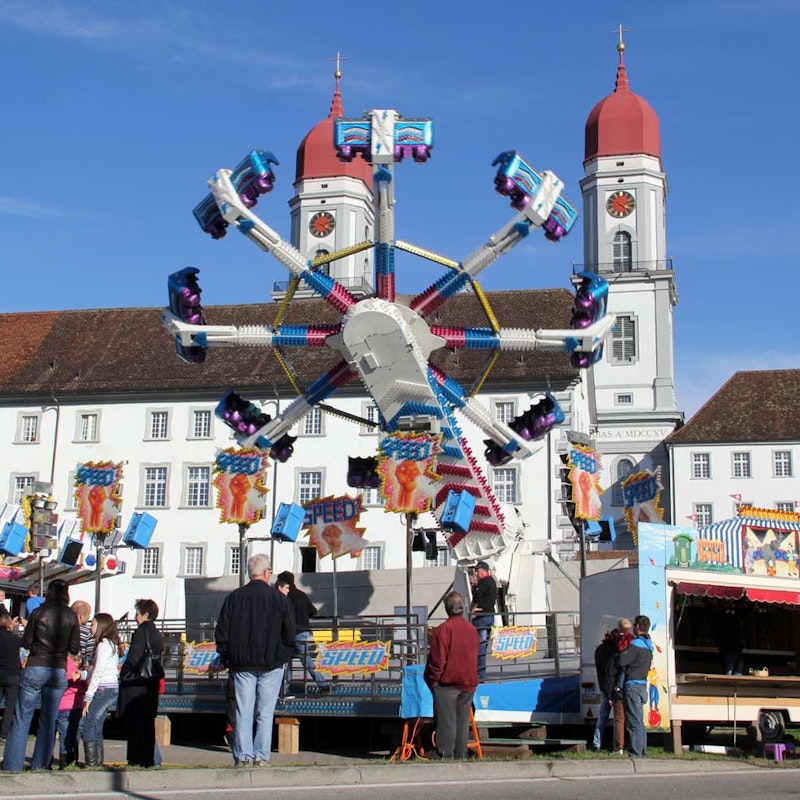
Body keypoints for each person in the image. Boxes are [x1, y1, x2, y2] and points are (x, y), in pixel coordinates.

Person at [215, 554, 295, 767]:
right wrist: (285, 655)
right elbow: (290, 632)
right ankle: (261, 755)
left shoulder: (234, 597)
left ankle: (243, 756)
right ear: (267, 572)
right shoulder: (279, 599)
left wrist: (225, 657)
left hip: (242, 663)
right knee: (265, 712)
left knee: (243, 710)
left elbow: (222, 631)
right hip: (272, 661)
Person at [2, 579, 80, 772]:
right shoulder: (71, 616)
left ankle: (13, 765)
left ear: (49, 593)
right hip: (58, 669)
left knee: (22, 717)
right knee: (49, 719)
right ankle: (40, 765)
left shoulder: (38, 612)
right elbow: (75, 647)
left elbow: (26, 643)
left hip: (36, 665)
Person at [424, 591, 480, 759]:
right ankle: (461, 755)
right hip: (468, 681)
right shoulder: (472, 630)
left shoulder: (444, 630)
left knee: (446, 723)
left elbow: (437, 659)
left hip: (448, 683)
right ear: (462, 609)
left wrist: (434, 680)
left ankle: (446, 756)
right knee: (462, 722)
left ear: (447, 609)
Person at [118, 599, 164, 768]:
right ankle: (148, 759)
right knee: (147, 723)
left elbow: (134, 657)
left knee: (135, 722)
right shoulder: (156, 632)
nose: (136, 616)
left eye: (138, 612)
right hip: (151, 681)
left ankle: (136, 759)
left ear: (145, 614)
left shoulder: (141, 631)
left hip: (137, 682)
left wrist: (124, 673)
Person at [276, 570, 330, 694]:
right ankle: (323, 684)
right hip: (305, 632)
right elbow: (314, 611)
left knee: (286, 661)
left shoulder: (284, 597)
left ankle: (284, 690)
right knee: (307, 660)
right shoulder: (302, 595)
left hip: (290, 633)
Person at [79, 613, 121, 768]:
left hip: (104, 689)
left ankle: (91, 763)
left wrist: (88, 697)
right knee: (96, 724)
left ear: (101, 626)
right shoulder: (110, 644)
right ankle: (97, 762)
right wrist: (83, 674)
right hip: (110, 687)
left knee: (87, 723)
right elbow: (97, 670)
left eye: (93, 624)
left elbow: (98, 672)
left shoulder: (103, 644)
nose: (91, 627)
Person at [617, 614, 654, 757]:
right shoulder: (648, 645)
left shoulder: (636, 644)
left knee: (633, 721)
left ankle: (636, 752)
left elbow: (622, 660)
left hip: (632, 685)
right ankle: (642, 750)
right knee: (639, 720)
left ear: (637, 627)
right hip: (642, 685)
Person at [592, 619, 629, 754]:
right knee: (619, 718)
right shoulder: (615, 651)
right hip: (614, 688)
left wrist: (605, 690)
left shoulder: (599, 650)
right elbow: (615, 671)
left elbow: (601, 672)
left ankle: (597, 743)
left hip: (604, 686)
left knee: (602, 717)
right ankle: (617, 744)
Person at [55, 655, 85, 769]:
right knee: (74, 734)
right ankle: (74, 760)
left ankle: (64, 762)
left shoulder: (64, 665)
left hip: (64, 704)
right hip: (77, 704)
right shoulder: (78, 669)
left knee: (64, 735)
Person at [469, 561, 497, 680]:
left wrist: (478, 609)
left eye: (477, 571)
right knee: (481, 645)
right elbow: (478, 598)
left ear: (484, 571)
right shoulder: (487, 582)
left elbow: (481, 598)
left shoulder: (487, 582)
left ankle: (480, 674)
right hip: (486, 616)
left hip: (483, 617)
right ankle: (479, 672)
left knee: (480, 646)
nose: (476, 573)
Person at [0, 610, 23, 742]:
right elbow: (26, 642)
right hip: (12, 674)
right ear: (9, 624)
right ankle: (3, 734)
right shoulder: (14, 639)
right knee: (10, 706)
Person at [71, 601, 95, 668]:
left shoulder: (63, 628)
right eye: (88, 615)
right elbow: (89, 655)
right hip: (78, 669)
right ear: (80, 616)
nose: (89, 617)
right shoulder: (88, 632)